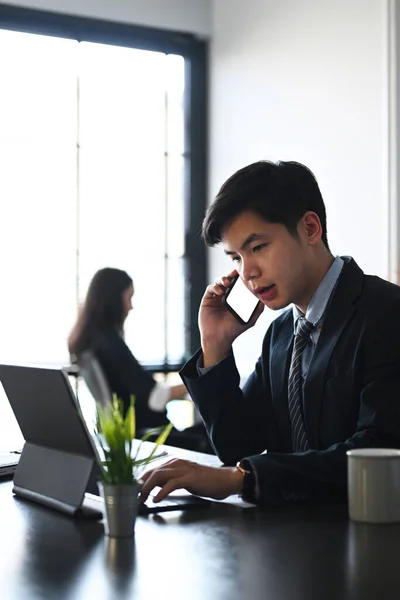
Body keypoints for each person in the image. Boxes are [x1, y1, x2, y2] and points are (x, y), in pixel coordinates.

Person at [140, 160, 400, 506]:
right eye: (236, 258)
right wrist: (215, 345)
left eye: (258, 247)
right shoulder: (281, 333)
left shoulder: (386, 312)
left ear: (309, 228)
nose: (248, 272)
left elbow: (375, 451)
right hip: (289, 539)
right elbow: (237, 445)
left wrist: (241, 478)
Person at [68, 268, 189, 431]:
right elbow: (155, 397)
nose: (131, 306)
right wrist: (196, 385)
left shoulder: (90, 343)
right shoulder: (110, 345)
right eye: (129, 298)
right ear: (113, 300)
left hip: (128, 434)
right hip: (149, 436)